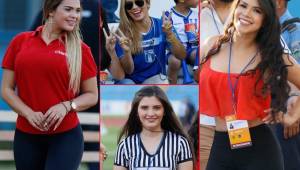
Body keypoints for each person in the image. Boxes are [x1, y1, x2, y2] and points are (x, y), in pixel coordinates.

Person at [200, 0, 300, 169]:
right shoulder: (212, 45)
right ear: (235, 8)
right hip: (220, 146)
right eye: (243, 6)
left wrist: (294, 115)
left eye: (257, 11)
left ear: (265, 19)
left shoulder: (271, 53)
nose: (246, 14)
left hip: (260, 151)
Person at [1, 0, 98, 169]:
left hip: (66, 137)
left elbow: (92, 95)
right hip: (26, 136)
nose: (74, 16)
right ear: (50, 11)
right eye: (68, 10)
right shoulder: (20, 42)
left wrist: (67, 106)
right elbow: (6, 89)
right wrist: (28, 113)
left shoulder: (81, 50)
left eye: (77, 11)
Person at [113, 86, 193, 170]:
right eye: (144, 108)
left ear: (164, 110)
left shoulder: (180, 143)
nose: (150, 113)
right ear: (136, 111)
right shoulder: (125, 145)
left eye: (157, 108)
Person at [110, 0, 186, 84]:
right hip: (130, 81)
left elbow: (182, 55)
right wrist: (127, 52)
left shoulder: (162, 25)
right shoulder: (122, 33)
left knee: (162, 81)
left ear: (148, 4)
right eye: (129, 5)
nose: (134, 7)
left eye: (139, 2)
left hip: (154, 79)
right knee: (127, 83)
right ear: (126, 10)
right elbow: (129, 71)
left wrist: (170, 34)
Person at [199, 0, 233, 169]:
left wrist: (294, 97)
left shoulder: (253, 12)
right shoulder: (198, 13)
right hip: (206, 124)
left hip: (247, 122)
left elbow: (282, 61)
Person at [167, 0, 199, 84]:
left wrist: (199, 37)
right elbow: (167, 42)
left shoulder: (198, 15)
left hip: (192, 48)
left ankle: (200, 84)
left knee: (198, 54)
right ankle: (171, 87)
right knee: (175, 61)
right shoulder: (168, 16)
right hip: (175, 51)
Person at [101, 6, 125, 81]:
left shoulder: (105, 41)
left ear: (101, 22)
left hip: (99, 85)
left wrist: (112, 52)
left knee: (125, 82)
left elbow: (120, 76)